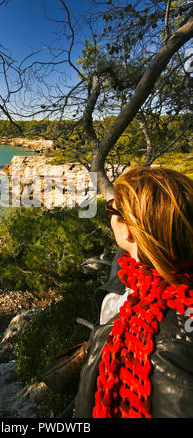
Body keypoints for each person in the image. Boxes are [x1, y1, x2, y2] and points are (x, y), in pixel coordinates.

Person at [74, 166, 193, 418]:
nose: (108, 215)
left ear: (128, 229)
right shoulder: (142, 274)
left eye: (111, 210)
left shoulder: (159, 345)